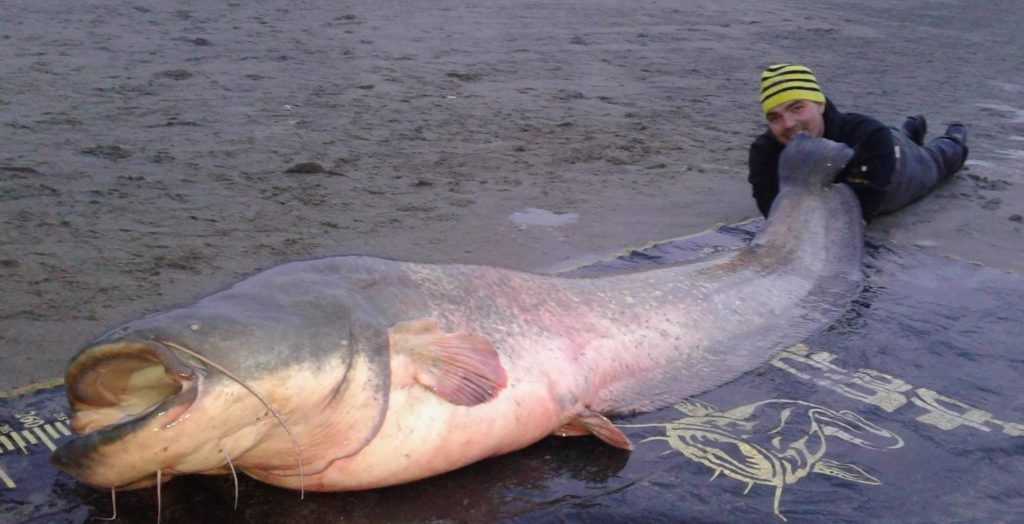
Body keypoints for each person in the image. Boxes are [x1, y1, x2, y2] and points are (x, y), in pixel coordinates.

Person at [748, 63, 968, 222]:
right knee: (895, 134)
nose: (787, 124)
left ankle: (954, 138)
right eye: (774, 117)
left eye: (797, 108)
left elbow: (854, 217)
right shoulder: (763, 152)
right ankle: (910, 127)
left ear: (820, 104)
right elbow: (775, 214)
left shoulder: (868, 136)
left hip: (898, 164)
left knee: (937, 160)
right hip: (879, 146)